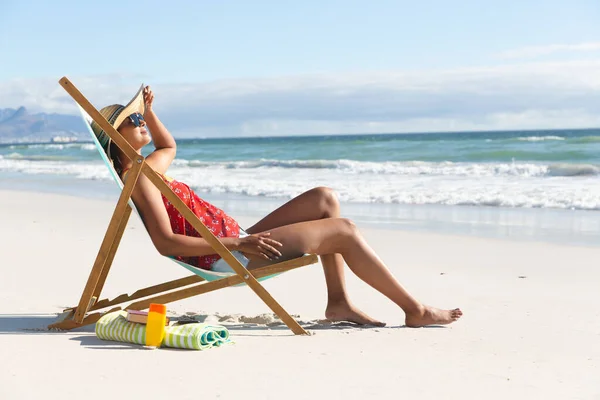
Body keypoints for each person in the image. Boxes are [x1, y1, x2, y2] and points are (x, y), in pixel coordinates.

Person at [91, 84, 462, 328]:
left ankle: (339, 303)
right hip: (227, 255)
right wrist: (237, 245)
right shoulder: (137, 178)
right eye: (133, 120)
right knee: (344, 230)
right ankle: (415, 310)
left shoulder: (146, 167)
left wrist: (151, 113)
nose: (141, 122)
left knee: (324, 198)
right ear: (115, 139)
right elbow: (167, 243)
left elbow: (169, 147)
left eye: (140, 117)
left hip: (236, 240)